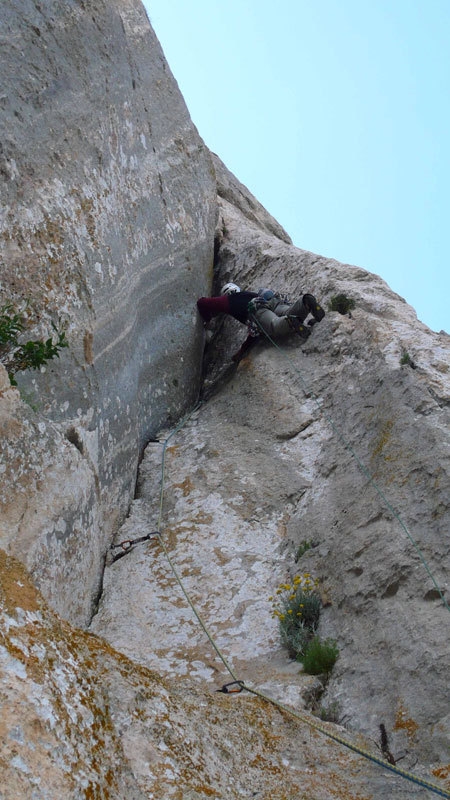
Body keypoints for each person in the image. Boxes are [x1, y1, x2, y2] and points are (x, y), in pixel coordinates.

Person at [197, 283, 325, 361]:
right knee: (288, 312)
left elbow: (202, 303)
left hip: (258, 309)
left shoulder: (228, 300)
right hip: (272, 301)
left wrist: (206, 320)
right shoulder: (249, 294)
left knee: (274, 325)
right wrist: (241, 351)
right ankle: (304, 302)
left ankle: (290, 322)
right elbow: (255, 333)